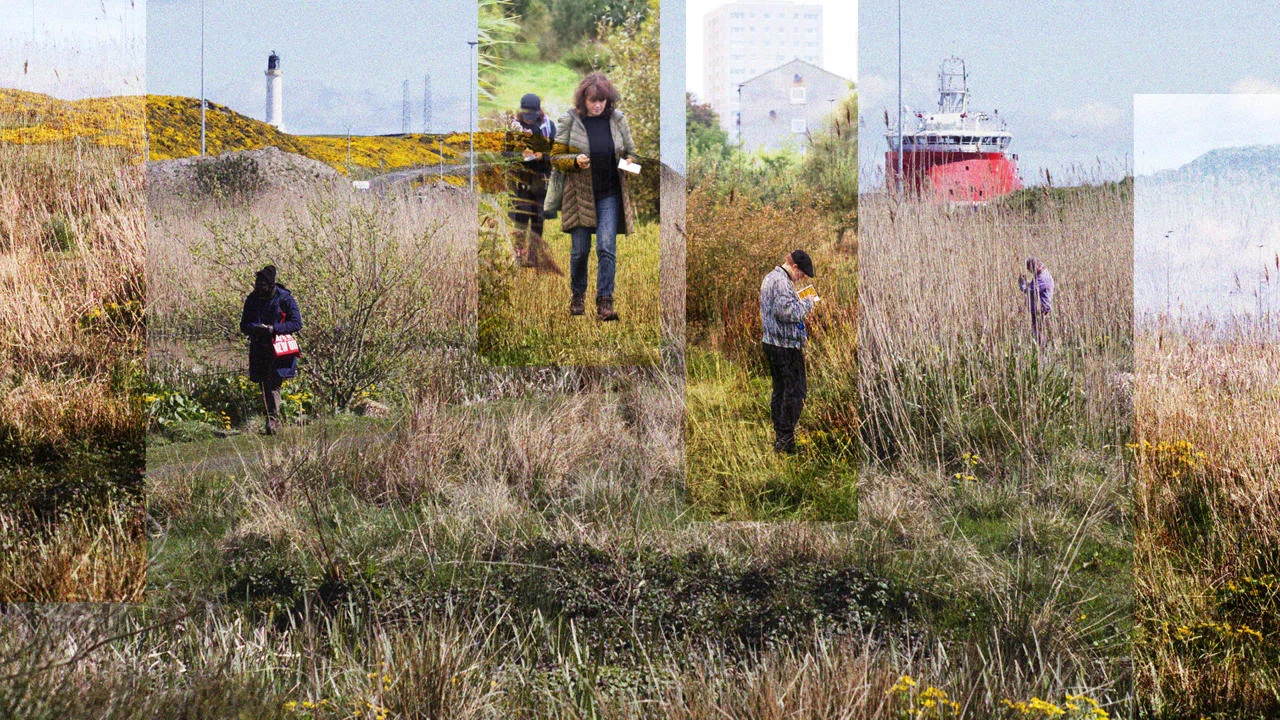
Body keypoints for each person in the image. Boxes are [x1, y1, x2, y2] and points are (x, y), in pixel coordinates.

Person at [550, 71, 639, 321]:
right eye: (592, 100)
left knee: (606, 247)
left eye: (602, 100)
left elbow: (633, 156)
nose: (598, 105)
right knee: (579, 251)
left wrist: (631, 162)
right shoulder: (569, 120)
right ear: (583, 100)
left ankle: (605, 302)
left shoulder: (618, 119)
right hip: (579, 196)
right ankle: (577, 296)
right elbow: (555, 158)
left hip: (609, 195)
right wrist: (575, 161)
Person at [760, 250, 818, 453]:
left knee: (781, 390)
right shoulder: (782, 282)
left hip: (772, 343)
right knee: (796, 392)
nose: (800, 278)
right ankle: (785, 441)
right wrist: (808, 303)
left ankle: (781, 438)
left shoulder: (771, 277)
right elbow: (787, 313)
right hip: (785, 347)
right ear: (794, 267)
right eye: (801, 274)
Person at [240, 265, 302, 435]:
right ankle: (272, 419)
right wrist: (255, 328)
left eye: (262, 286)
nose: (258, 288)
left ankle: (272, 422)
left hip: (279, 348)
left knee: (273, 384)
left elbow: (297, 323)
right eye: (256, 285)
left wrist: (273, 329)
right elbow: (243, 325)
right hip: (259, 347)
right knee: (263, 383)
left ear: (271, 285)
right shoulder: (252, 299)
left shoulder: (285, 299)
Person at [504, 93, 556, 270]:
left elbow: (555, 155)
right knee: (520, 219)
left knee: (538, 219)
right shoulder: (514, 128)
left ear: (538, 111)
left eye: (532, 114)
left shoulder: (548, 127)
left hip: (540, 180)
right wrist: (520, 155)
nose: (528, 118)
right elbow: (505, 154)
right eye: (526, 113)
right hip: (520, 181)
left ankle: (533, 257)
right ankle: (518, 256)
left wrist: (542, 155)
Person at [1019, 257, 1054, 345]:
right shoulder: (1041, 275)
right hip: (1038, 308)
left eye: (1030, 269)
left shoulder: (1043, 277)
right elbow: (1032, 287)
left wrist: (1022, 283)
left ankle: (1042, 348)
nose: (1030, 272)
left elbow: (1029, 290)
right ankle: (1042, 346)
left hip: (1040, 308)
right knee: (1038, 330)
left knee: (1039, 331)